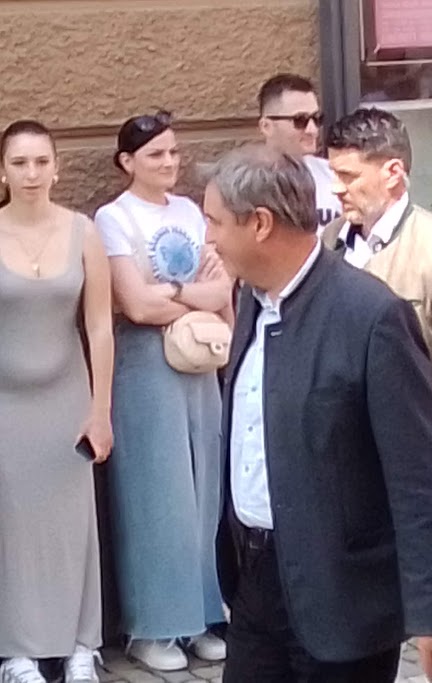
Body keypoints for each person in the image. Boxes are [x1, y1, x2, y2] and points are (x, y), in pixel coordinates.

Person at [203, 143, 432, 683]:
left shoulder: (371, 317)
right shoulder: (252, 298)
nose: (207, 239)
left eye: (215, 222)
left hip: (344, 600)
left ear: (260, 224)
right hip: (256, 585)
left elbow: (421, 478)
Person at [322, 107, 432, 649]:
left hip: (421, 474)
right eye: (333, 174)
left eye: (348, 175)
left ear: (393, 172)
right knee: (354, 632)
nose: (337, 190)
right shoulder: (330, 241)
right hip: (346, 474)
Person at [94, 112, 233, 672]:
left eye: (174, 152)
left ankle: (199, 617)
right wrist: (191, 292)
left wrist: (169, 292)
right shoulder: (113, 218)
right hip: (145, 364)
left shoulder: (192, 213)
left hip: (200, 358)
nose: (169, 163)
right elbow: (134, 304)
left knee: (204, 493)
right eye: (156, 154)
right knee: (156, 494)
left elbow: (224, 289)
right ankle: (152, 626)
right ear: (127, 162)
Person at [0, 121, 113, 683]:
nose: (31, 173)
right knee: (13, 526)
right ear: (3, 171)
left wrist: (100, 410)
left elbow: (100, 325)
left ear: (57, 168)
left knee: (74, 525)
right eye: (19, 163)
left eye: (41, 161)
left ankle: (79, 646)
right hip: (6, 406)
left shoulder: (82, 232)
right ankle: (17, 652)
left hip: (67, 398)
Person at [257, 73, 342, 231]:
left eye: (316, 118)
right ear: (266, 126)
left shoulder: (336, 177)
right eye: (300, 120)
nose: (312, 130)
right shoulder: (243, 185)